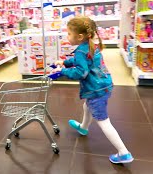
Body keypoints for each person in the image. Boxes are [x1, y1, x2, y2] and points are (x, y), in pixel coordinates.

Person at [53, 16, 134, 164]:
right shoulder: (91, 46)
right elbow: (81, 61)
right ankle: (83, 127)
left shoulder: (81, 52)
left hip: (95, 89)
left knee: (103, 122)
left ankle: (124, 152)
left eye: (69, 33)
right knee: (87, 106)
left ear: (80, 36)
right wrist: (64, 62)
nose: (67, 36)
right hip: (104, 84)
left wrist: (63, 72)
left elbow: (81, 72)